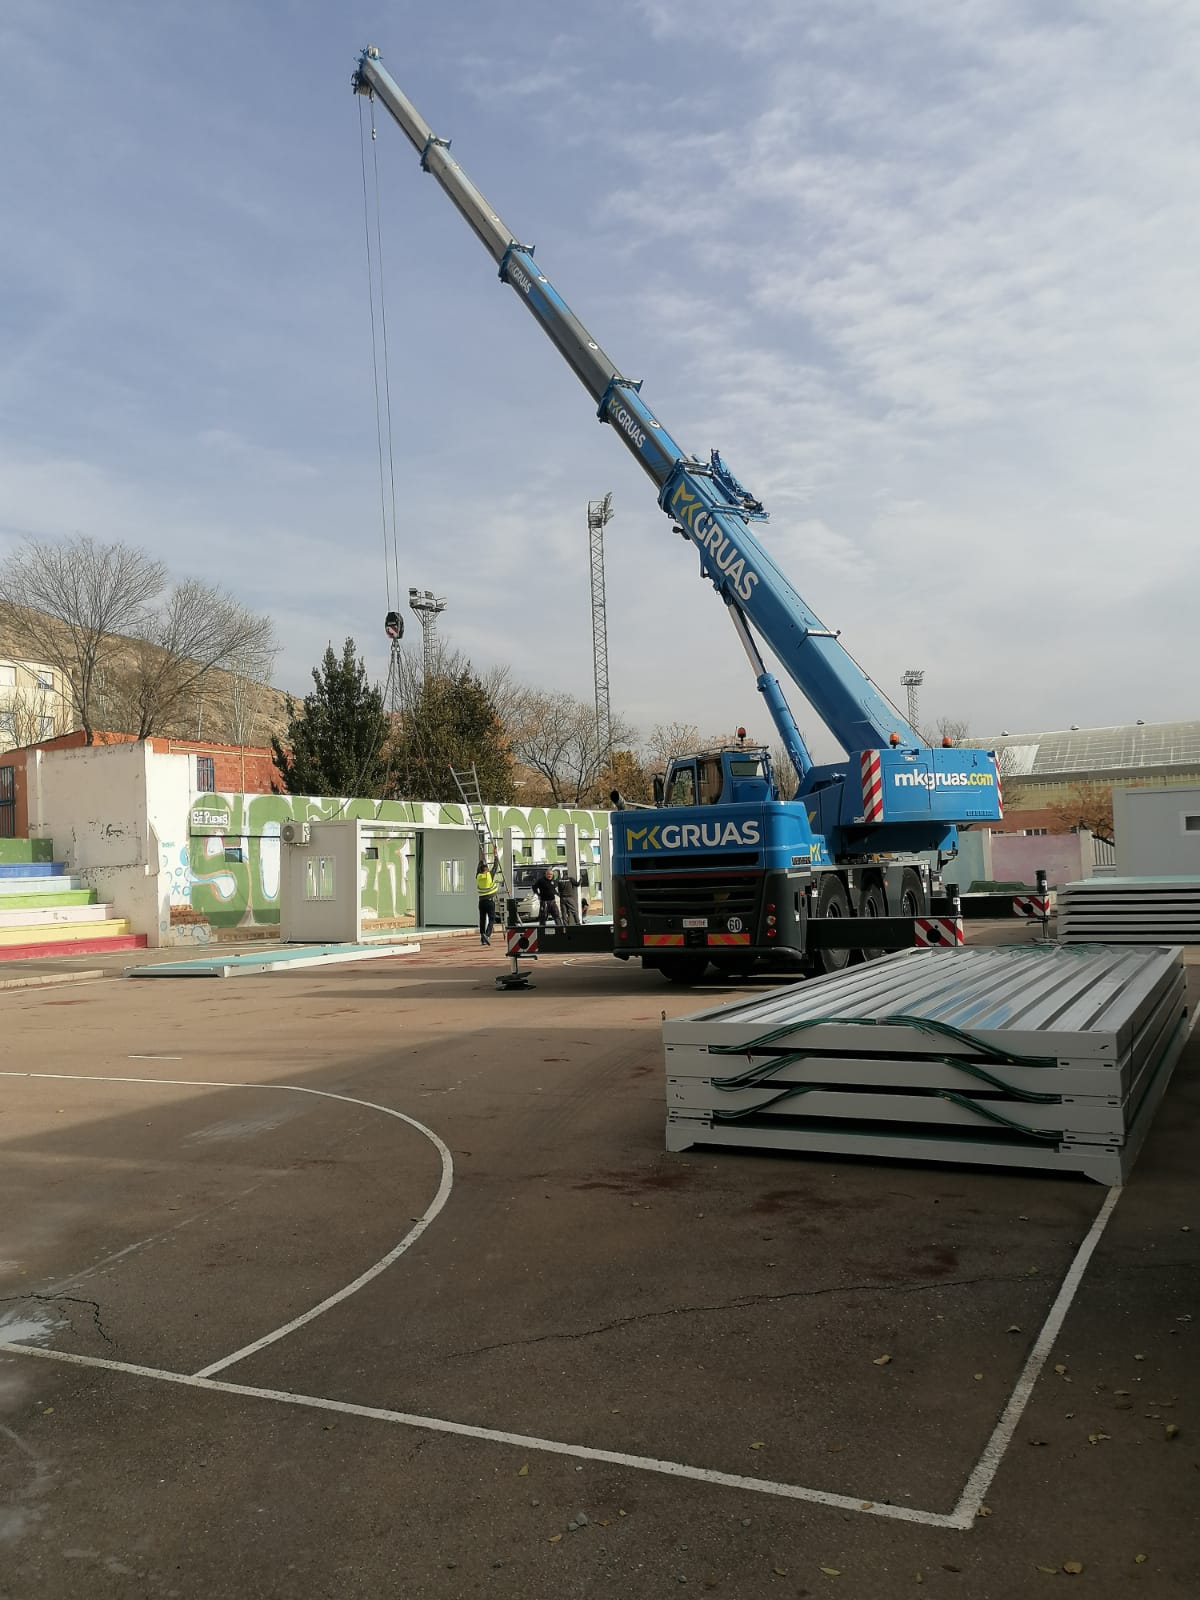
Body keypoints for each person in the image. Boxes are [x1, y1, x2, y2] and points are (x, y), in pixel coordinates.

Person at [475, 854, 500, 946]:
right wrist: (496, 856)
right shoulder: (489, 876)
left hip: (481, 902)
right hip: (489, 901)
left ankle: (482, 937)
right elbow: (495, 866)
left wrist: (481, 860)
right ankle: (487, 934)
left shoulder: (478, 876)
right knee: (492, 919)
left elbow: (478, 869)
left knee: (482, 919)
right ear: (486, 871)